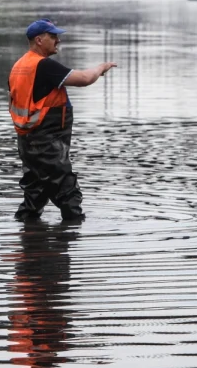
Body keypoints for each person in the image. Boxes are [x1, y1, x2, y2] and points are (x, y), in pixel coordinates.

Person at [8, 19, 116, 221]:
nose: (58, 40)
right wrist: (101, 67)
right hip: (47, 142)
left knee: (35, 193)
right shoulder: (44, 65)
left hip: (27, 140)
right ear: (39, 40)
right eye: (53, 36)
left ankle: (29, 241)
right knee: (67, 192)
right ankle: (71, 239)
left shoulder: (19, 66)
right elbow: (84, 79)